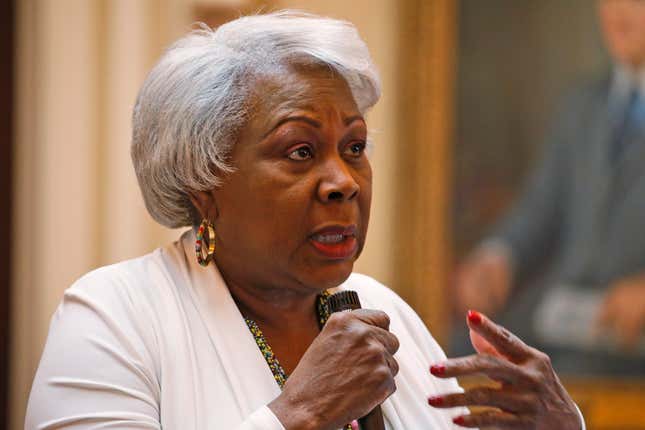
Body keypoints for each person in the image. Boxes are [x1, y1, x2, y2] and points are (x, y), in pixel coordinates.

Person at [26, 11, 585, 429]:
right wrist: (301, 413)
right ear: (205, 184)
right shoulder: (113, 318)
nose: (343, 181)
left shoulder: (388, 315)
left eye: (355, 147)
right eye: (300, 151)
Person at [455, 0, 645, 375]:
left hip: (631, 349)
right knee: (456, 352)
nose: (618, 11)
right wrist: (497, 257)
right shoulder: (580, 106)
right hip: (565, 328)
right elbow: (539, 209)